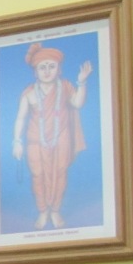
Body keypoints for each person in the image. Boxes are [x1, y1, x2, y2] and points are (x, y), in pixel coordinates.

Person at [12, 42, 92, 230]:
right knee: (38, 175)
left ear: (58, 69)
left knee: (60, 173)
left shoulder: (65, 87)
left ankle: (55, 211)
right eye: (42, 67)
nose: (47, 71)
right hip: (35, 141)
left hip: (60, 138)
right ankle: (42, 211)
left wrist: (81, 81)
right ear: (35, 72)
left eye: (51, 66)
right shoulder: (29, 93)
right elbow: (20, 118)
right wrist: (17, 141)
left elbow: (78, 103)